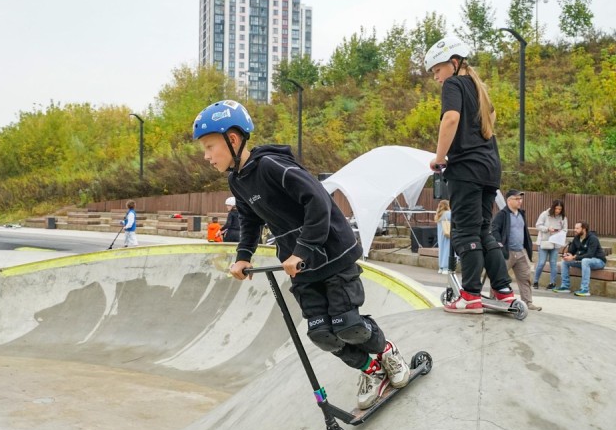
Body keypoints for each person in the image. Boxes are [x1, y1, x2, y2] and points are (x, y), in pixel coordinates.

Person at [192, 99, 410, 410]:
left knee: (349, 325)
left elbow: (318, 201)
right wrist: (244, 256)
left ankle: (387, 352)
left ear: (233, 139)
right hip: (301, 267)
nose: (206, 156)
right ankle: (372, 371)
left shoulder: (271, 166)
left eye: (210, 146)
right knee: (322, 333)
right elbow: (249, 220)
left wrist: (303, 249)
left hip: (332, 253)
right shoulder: (237, 181)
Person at [424, 36, 517, 314]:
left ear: (454, 63)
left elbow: (450, 119)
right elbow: (490, 121)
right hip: (490, 169)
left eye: (437, 70)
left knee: (465, 232)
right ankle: (503, 291)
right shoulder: (480, 90)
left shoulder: (455, 84)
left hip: (467, 169)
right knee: (483, 231)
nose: (437, 78)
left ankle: (470, 295)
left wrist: (439, 159)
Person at [492, 190, 541, 311]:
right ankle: (493, 301)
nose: (520, 201)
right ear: (509, 200)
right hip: (507, 252)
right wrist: (500, 245)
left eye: (521, 199)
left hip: (520, 251)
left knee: (525, 278)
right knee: (499, 278)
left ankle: (528, 302)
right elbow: (494, 230)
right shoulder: (502, 215)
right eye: (517, 199)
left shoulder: (521, 214)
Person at [553, 221, 606, 297]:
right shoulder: (577, 238)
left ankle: (585, 289)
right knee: (565, 262)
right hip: (583, 261)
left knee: (585, 261)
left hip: (598, 261)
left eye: (577, 228)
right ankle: (565, 286)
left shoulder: (593, 238)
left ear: (584, 229)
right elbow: (571, 251)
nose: (575, 230)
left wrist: (574, 257)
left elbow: (590, 254)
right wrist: (567, 255)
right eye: (575, 228)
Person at [533, 200, 568, 290]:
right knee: (541, 262)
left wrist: (559, 232)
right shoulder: (545, 214)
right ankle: (535, 281)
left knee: (553, 263)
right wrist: (547, 229)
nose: (557, 211)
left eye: (560, 209)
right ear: (553, 207)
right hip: (544, 242)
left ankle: (552, 283)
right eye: (556, 208)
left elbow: (565, 229)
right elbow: (538, 225)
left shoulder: (563, 217)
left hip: (555, 243)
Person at [434, 200, 451, 274]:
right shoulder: (448, 213)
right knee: (447, 250)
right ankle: (446, 267)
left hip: (441, 235)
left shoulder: (438, 214)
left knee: (441, 250)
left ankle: (441, 267)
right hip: (447, 234)